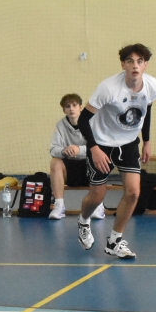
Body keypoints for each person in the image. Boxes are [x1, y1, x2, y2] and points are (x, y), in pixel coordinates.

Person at [76, 44, 156, 259]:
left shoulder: (152, 86)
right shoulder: (108, 88)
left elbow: (147, 111)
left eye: (139, 61)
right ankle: (83, 221)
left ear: (145, 65)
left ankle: (114, 241)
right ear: (123, 65)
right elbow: (83, 120)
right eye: (130, 61)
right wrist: (94, 148)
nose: (135, 66)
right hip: (101, 143)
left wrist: (146, 141)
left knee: (133, 193)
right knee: (97, 196)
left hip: (128, 144)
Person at [47, 93, 103, 221]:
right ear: (63, 110)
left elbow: (100, 148)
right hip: (70, 169)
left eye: (74, 105)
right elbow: (53, 149)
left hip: (89, 166)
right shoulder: (60, 125)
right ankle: (59, 206)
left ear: (80, 107)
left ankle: (98, 205)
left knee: (98, 159)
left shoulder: (92, 122)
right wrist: (64, 151)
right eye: (67, 106)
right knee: (55, 162)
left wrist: (79, 150)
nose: (71, 109)